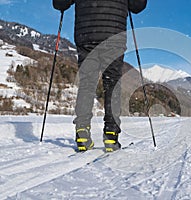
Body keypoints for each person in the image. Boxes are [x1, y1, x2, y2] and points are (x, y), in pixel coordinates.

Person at [52, 0, 147, 152]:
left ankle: (82, 131)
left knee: (87, 84)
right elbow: (137, 6)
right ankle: (111, 134)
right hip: (114, 35)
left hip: (86, 35)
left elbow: (60, 3)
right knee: (112, 85)